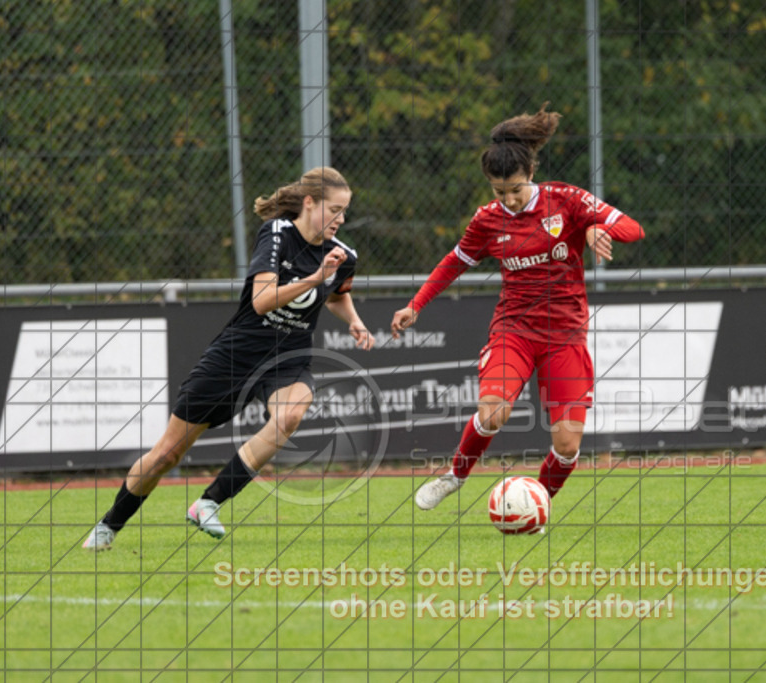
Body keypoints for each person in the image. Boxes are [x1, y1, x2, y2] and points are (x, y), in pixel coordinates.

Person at [83, 166, 375, 551]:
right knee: (168, 453)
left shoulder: (344, 255)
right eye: (334, 210)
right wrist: (314, 277)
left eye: (344, 211)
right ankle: (110, 524)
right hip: (237, 355)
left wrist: (354, 320)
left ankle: (208, 502)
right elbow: (262, 301)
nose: (341, 219)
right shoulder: (276, 234)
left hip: (288, 359)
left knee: (289, 416)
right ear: (309, 203)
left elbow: (337, 294)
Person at [391, 104, 645, 520]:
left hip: (565, 335)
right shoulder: (488, 220)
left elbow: (634, 228)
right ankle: (454, 476)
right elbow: (454, 263)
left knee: (567, 446)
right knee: (493, 411)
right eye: (499, 192)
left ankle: (534, 507)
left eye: (516, 190)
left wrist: (599, 227)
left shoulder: (567, 200)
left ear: (530, 173)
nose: (508, 200)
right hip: (515, 330)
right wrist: (415, 304)